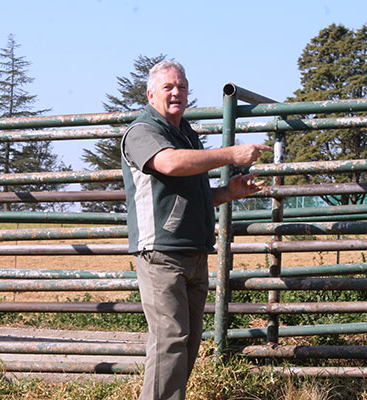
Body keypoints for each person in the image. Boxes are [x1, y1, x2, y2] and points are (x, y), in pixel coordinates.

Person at [121, 60, 271, 400]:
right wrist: (231, 153)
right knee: (170, 341)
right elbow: (169, 163)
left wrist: (228, 193)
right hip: (161, 253)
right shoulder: (143, 131)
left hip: (193, 251)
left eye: (182, 87)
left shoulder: (185, 133)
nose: (176, 93)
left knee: (186, 343)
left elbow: (193, 194)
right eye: (168, 87)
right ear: (150, 94)